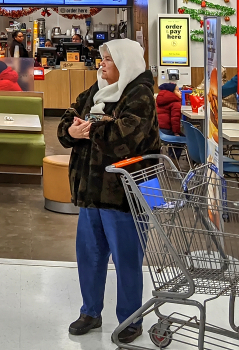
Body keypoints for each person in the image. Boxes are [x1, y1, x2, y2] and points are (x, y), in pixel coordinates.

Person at [57, 38, 161, 343]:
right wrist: (73, 131)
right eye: (101, 59)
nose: (101, 64)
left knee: (127, 258)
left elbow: (123, 138)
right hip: (91, 191)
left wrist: (91, 127)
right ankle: (90, 311)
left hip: (124, 196)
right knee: (89, 255)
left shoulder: (139, 94)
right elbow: (69, 117)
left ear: (124, 62)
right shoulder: (97, 90)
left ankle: (131, 319)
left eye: (108, 60)